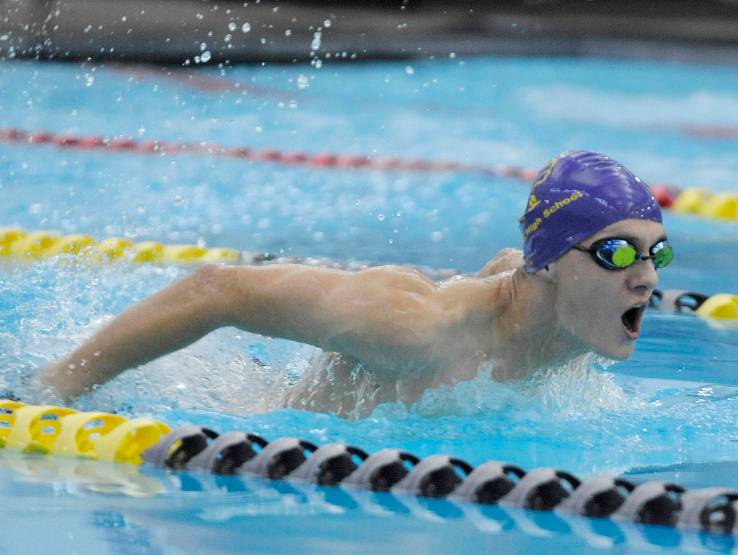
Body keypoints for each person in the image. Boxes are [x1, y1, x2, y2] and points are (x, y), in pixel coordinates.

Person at [40, 151, 673, 417]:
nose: (645, 278)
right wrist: (55, 391)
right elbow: (217, 289)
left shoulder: (562, 319)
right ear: (552, 264)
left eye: (657, 255)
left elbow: (513, 259)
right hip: (254, 417)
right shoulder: (413, 326)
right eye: (618, 253)